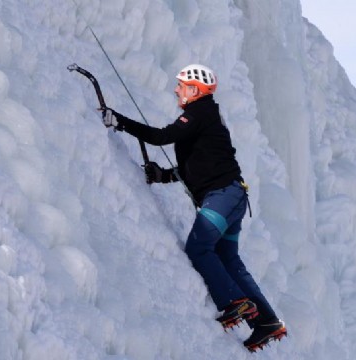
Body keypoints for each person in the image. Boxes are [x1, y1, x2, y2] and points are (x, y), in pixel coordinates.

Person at [101, 64, 286, 351]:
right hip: (233, 197)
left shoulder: (200, 112)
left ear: (195, 89)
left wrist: (119, 121)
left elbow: (161, 137)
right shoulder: (207, 116)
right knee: (228, 259)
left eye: (181, 85)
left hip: (222, 196)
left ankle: (235, 302)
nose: (176, 89)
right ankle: (266, 322)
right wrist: (164, 175)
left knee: (199, 247)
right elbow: (199, 165)